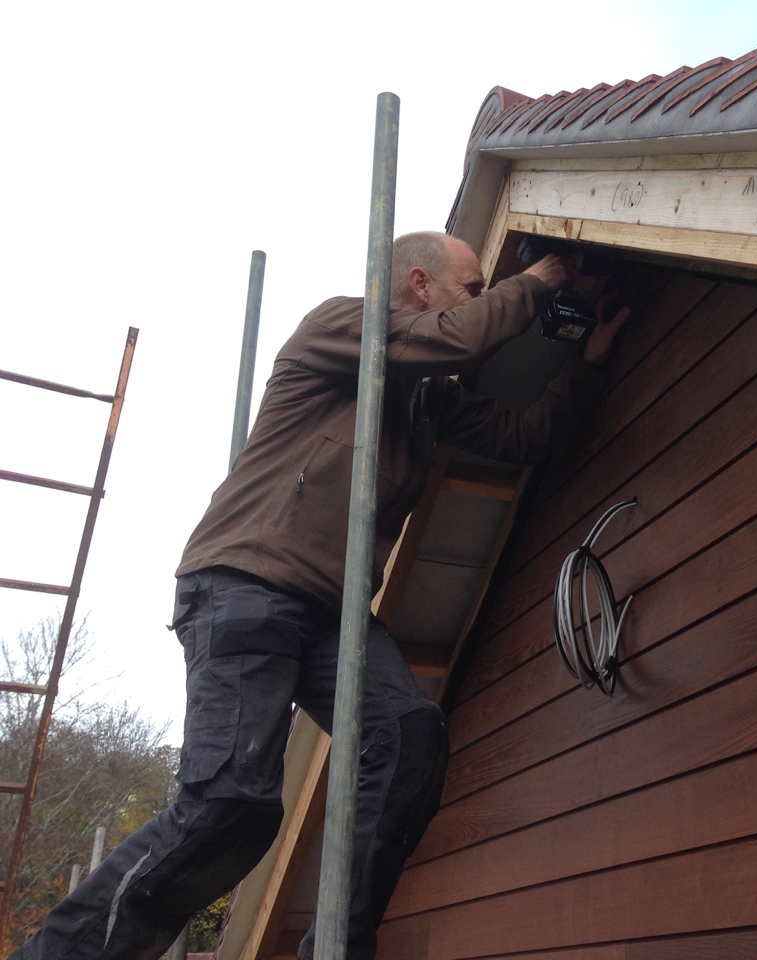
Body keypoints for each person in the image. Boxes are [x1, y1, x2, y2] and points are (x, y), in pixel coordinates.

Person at [12, 232, 629, 960]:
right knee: (232, 806)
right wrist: (543, 277)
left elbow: (522, 436)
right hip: (248, 583)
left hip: (332, 615)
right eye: (472, 285)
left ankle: (335, 949)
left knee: (408, 737)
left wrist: (586, 366)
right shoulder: (339, 327)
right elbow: (459, 339)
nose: (482, 295)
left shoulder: (424, 401)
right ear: (420, 285)